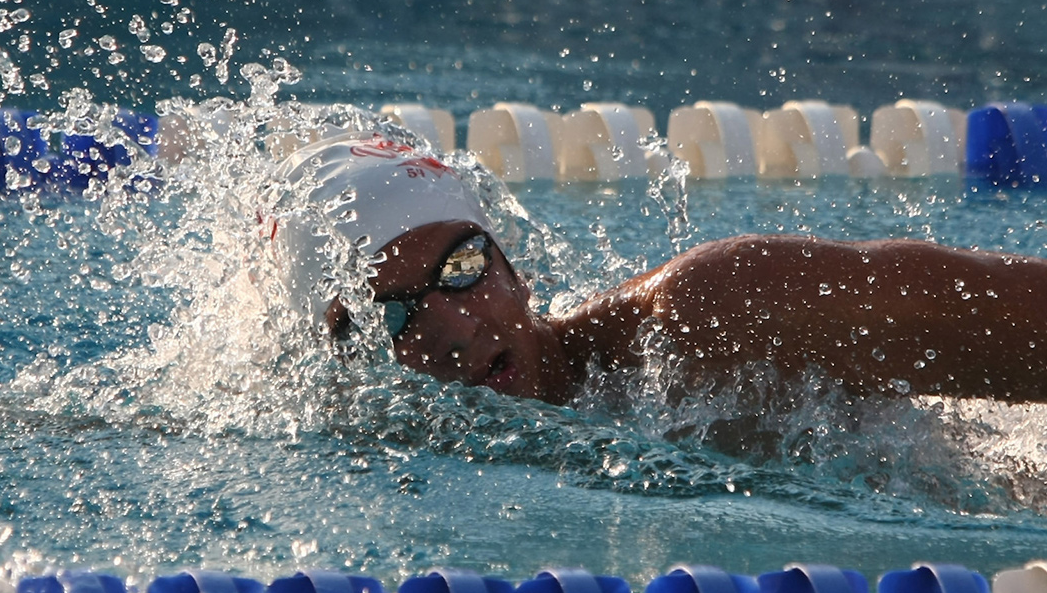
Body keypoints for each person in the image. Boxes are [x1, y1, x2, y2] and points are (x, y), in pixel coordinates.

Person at [265, 132, 1047, 405]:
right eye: (393, 314)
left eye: (464, 267)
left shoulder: (713, 310)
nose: (458, 328)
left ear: (515, 268)